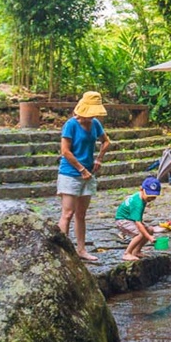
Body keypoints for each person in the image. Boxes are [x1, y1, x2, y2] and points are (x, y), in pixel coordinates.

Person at [57, 91, 112, 262]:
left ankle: (81, 250)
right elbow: (65, 151)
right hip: (70, 173)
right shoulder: (70, 125)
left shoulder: (95, 124)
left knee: (81, 214)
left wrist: (99, 159)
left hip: (88, 173)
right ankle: (63, 252)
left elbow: (106, 141)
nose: (91, 116)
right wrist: (81, 169)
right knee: (67, 213)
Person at [116, 176, 161, 261]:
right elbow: (138, 223)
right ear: (141, 189)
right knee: (140, 234)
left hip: (130, 218)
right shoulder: (138, 203)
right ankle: (127, 253)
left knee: (150, 229)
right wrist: (149, 237)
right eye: (149, 196)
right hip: (123, 220)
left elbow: (138, 219)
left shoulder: (141, 197)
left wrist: (148, 232)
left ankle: (136, 251)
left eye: (154, 197)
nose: (151, 199)